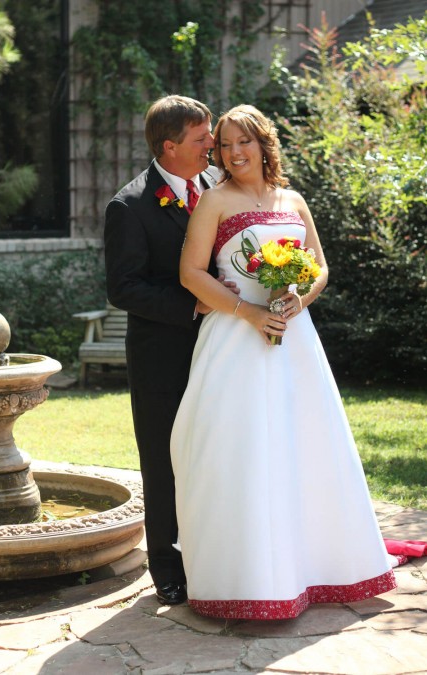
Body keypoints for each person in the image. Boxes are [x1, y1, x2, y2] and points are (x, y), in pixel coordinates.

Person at [170, 104, 396, 620]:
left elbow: (319, 266)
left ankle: (313, 570)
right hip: (233, 339)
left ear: (263, 143)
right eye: (224, 144)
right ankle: (246, 578)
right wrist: (248, 312)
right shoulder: (214, 201)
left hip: (294, 339)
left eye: (242, 141)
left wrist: (300, 300)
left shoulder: (292, 198)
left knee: (305, 446)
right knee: (242, 451)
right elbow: (190, 274)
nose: (233, 152)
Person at [104, 95, 238, 607]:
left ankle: (213, 553)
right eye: (203, 139)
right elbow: (124, 288)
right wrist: (195, 307)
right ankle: (166, 565)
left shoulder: (215, 189)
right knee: (164, 459)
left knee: (214, 452)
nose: (213, 146)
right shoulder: (130, 205)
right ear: (170, 145)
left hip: (221, 351)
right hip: (161, 354)